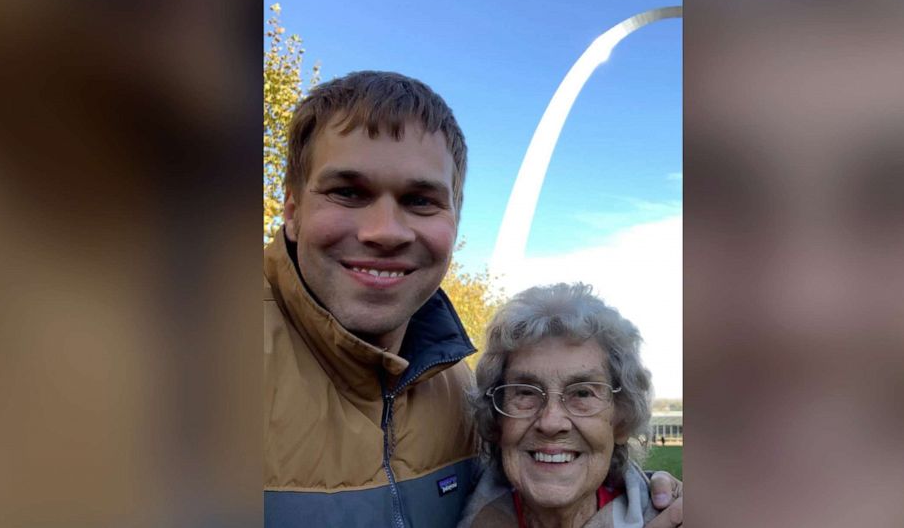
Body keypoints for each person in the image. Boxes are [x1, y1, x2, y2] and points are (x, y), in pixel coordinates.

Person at [263, 71, 682, 527]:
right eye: (347, 192)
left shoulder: (458, 393)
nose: (384, 231)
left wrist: (640, 499)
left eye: (420, 200)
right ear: (291, 211)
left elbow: (546, 477)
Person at [460, 283, 675, 528]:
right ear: (497, 420)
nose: (551, 422)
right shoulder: (447, 513)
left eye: (582, 393)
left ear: (622, 420)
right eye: (526, 393)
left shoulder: (670, 518)